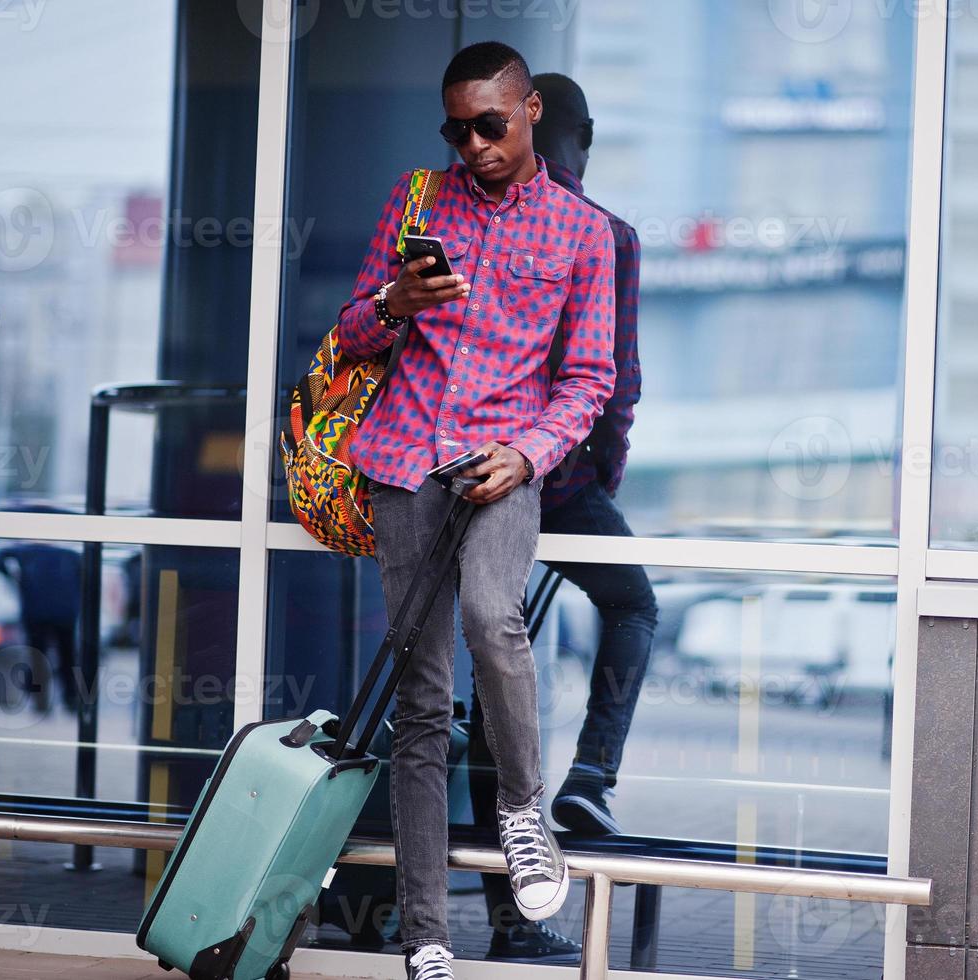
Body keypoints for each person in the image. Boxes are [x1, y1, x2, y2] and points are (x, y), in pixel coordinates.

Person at [334, 41, 617, 980]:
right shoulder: (419, 199)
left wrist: (530, 453)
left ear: (530, 109)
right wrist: (393, 299)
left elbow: (589, 379)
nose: (472, 144)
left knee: (494, 620)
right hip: (404, 462)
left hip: (502, 462)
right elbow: (350, 332)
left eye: (489, 124)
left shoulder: (582, 235)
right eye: (455, 127)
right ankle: (425, 940)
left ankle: (524, 812)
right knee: (420, 709)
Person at [466, 71, 659, 966]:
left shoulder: (467, 217)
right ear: (579, 138)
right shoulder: (603, 234)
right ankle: (588, 778)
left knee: (478, 689)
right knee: (630, 607)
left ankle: (508, 922)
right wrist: (596, 476)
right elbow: (613, 381)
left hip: (473, 478)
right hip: (560, 477)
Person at [0, 541, 82, 713]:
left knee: (38, 657)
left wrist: (15, 579)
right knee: (67, 656)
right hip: (64, 612)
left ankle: (41, 702)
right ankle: (69, 699)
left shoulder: (27, 551)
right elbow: (86, 574)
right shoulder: (69, 553)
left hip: (36, 611)